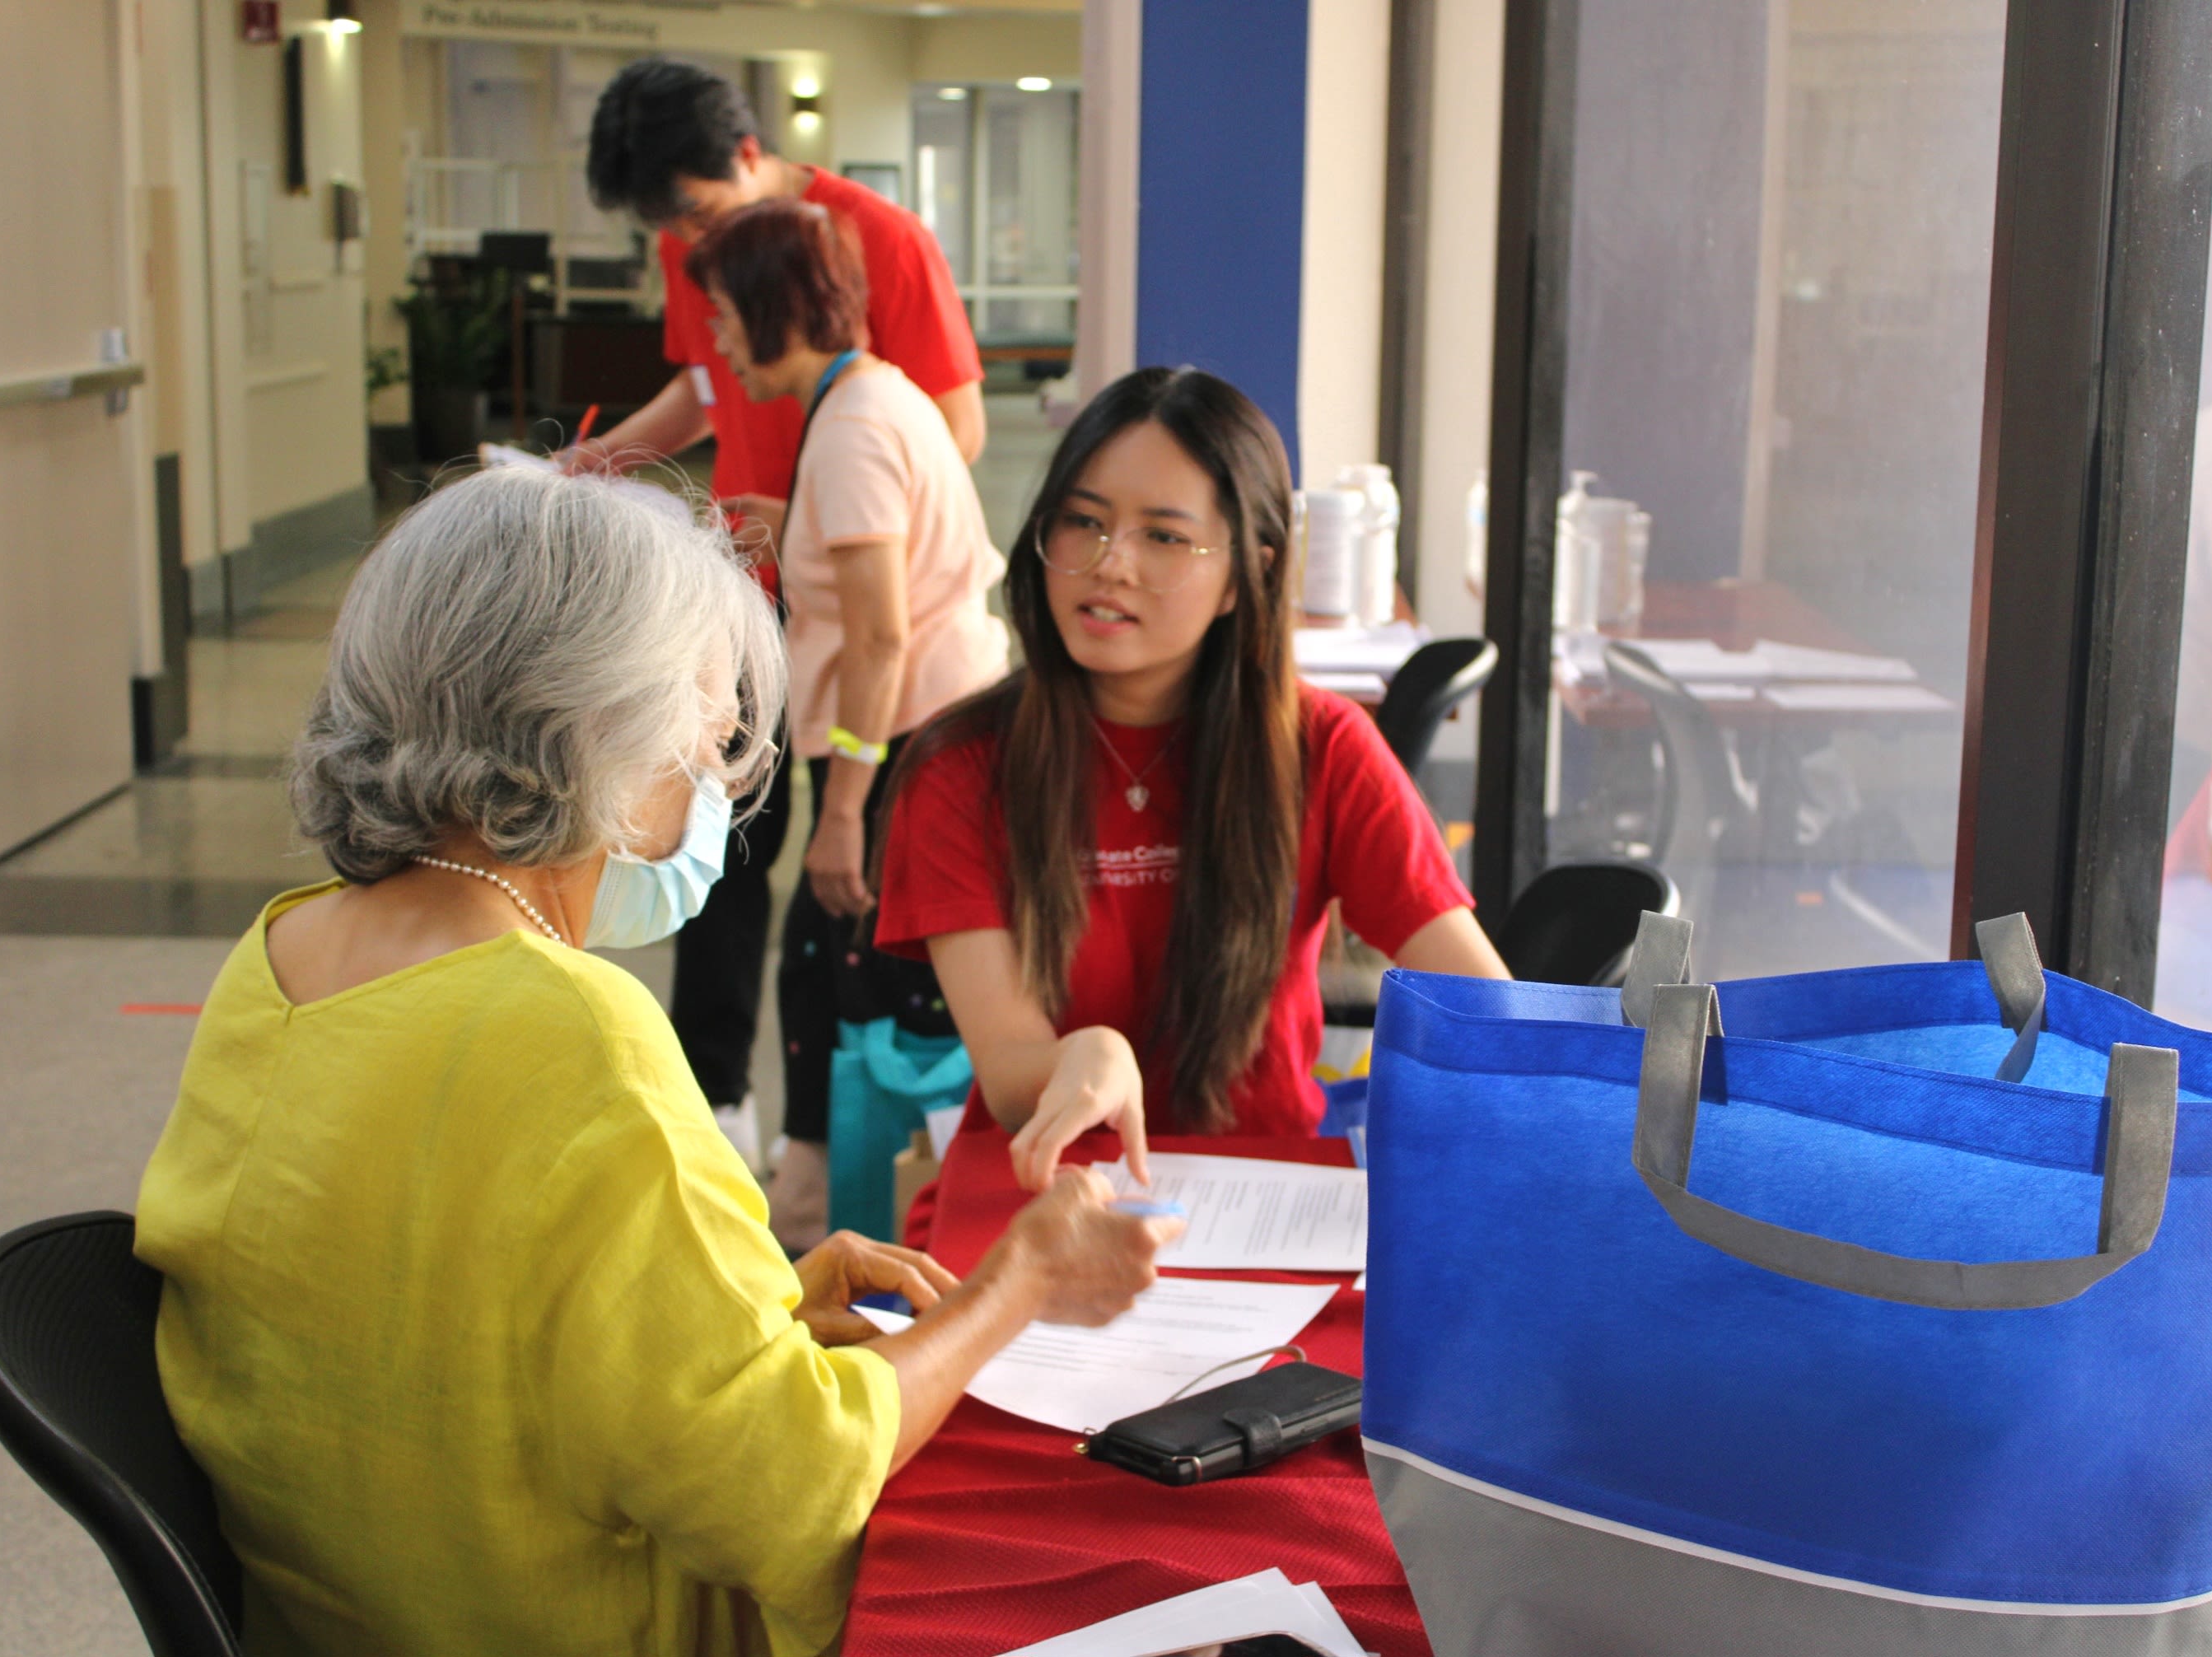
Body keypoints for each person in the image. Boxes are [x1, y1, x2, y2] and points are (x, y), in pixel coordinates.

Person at [132, 468, 1174, 1656]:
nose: (713, 770)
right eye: (708, 719)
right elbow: (791, 1495)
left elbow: (442, 1300)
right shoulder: (573, 1032)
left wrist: (752, 1306)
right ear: (605, 731)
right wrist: (1016, 1286)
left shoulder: (280, 949)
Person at [874, 368, 1512, 1193]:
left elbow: (1484, 1005)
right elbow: (1007, 1070)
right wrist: (1088, 1056)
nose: (1110, 564)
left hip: (1266, 1199)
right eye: (1083, 522)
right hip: (1042, 1195)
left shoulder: (1321, 746)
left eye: (1164, 537)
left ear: (1249, 571)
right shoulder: (960, 766)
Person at [571, 56, 987, 1173]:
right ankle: (724, 1111)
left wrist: (831, 530)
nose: (687, 259)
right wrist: (604, 460)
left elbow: (948, 444)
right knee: (720, 853)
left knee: (848, 908)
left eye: (697, 218)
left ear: (748, 159)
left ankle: (862, 1151)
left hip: (864, 625)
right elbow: (702, 390)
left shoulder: (876, 249)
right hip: (759, 589)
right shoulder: (705, 257)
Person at [685, 198, 1010, 1250]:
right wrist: (801, 530)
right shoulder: (870, 400)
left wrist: (846, 813)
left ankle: (857, 1219)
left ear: (777, 306)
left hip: (903, 743)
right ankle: (836, 1208)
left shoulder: (856, 429)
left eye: (728, 315)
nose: (720, 341)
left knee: (854, 981)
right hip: (920, 727)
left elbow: (879, 637)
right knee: (828, 974)